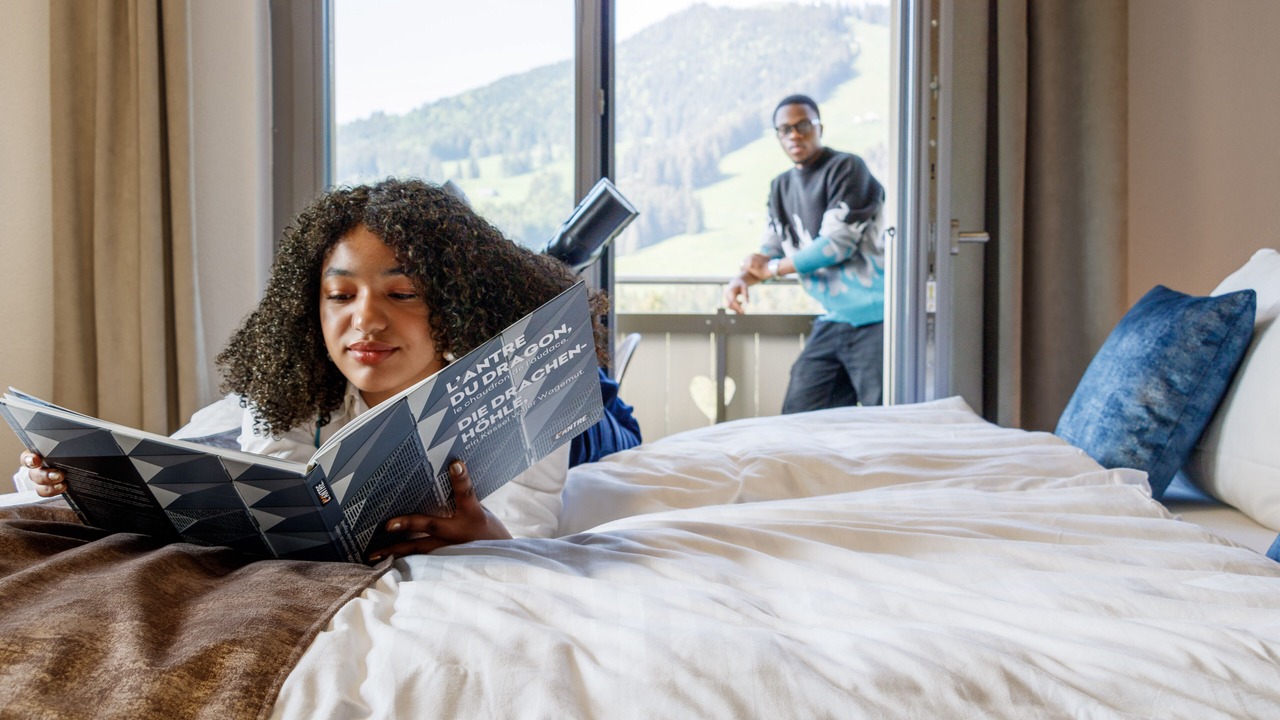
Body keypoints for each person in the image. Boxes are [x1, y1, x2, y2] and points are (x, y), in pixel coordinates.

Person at [18, 178, 610, 560]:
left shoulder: (518, 391)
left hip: (563, 419)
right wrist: (61, 481)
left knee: (611, 427)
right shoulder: (289, 389)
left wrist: (492, 538)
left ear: (450, 305)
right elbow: (271, 488)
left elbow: (529, 532)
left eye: (401, 294)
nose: (366, 322)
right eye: (340, 296)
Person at [722, 94, 887, 413]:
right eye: (785, 129)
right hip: (832, 318)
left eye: (803, 126)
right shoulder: (780, 186)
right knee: (797, 416)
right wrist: (741, 278)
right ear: (778, 136)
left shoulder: (848, 168)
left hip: (876, 319)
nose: (795, 135)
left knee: (882, 419)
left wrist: (770, 269)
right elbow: (770, 247)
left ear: (819, 127)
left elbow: (836, 244)